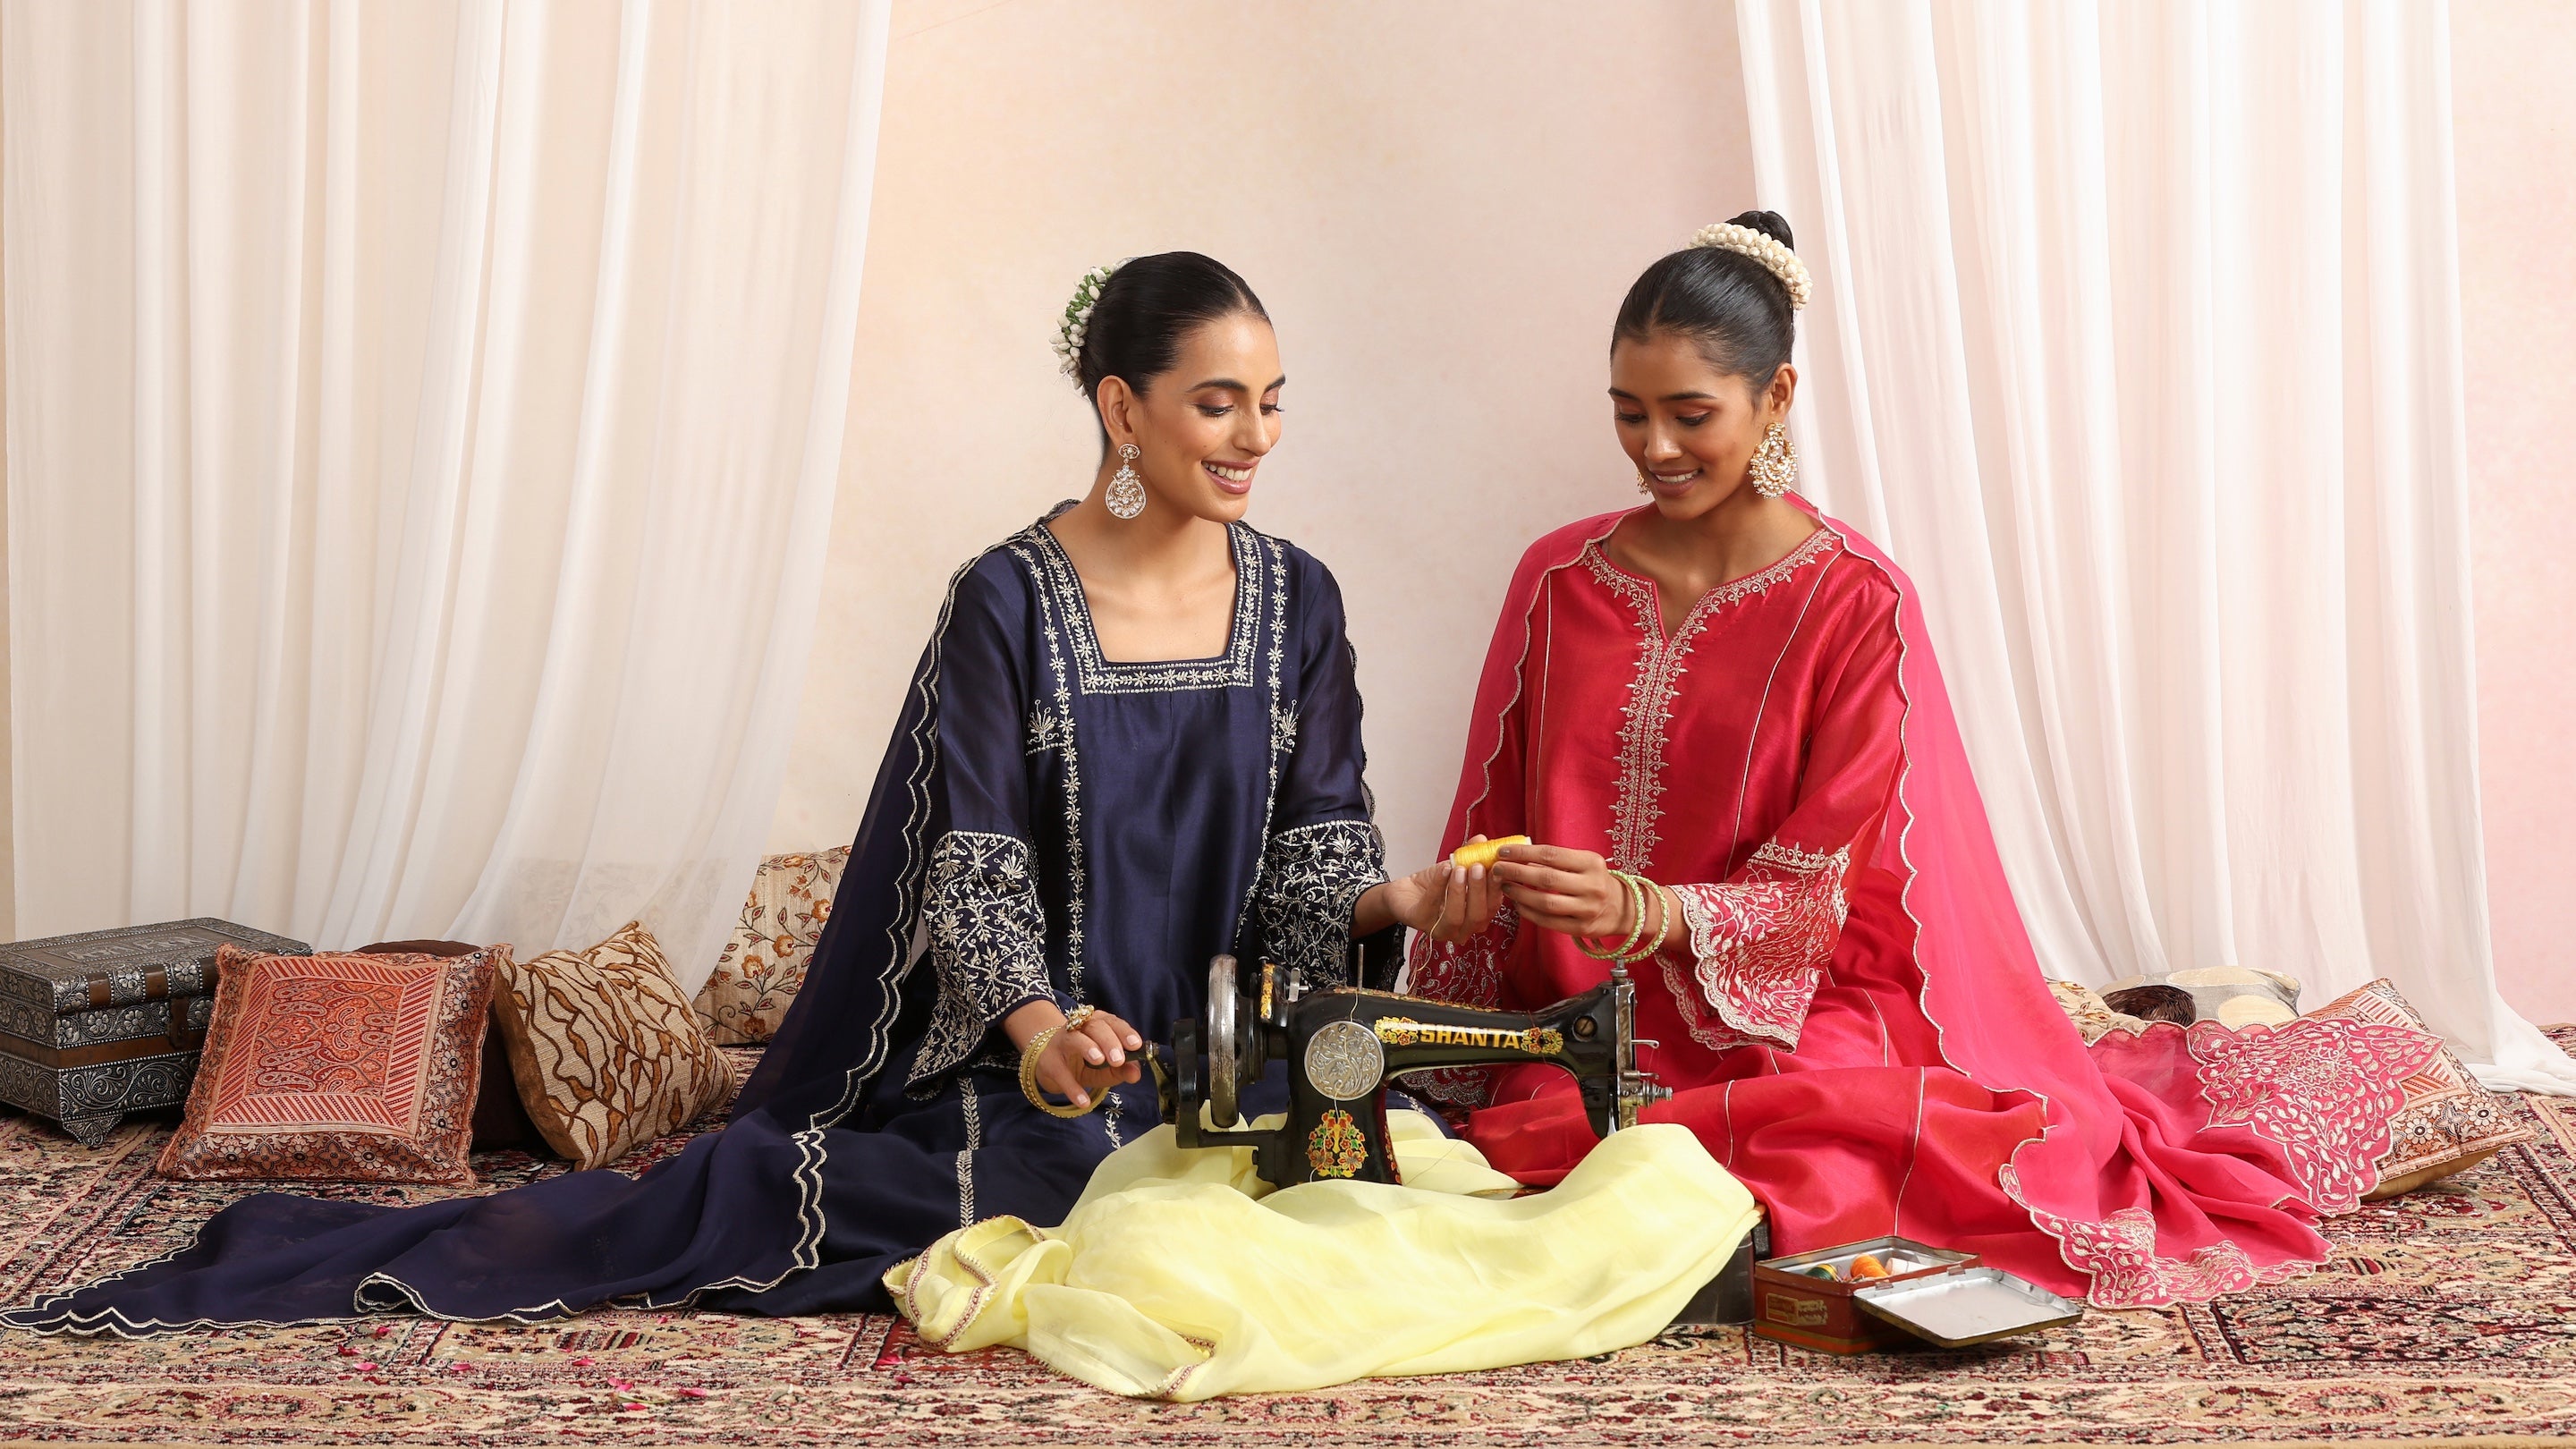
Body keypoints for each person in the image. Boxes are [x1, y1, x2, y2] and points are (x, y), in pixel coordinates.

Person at [5, 251, 1478, 1334]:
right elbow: (973, 869)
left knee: (1351, 1188)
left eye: (1271, 403)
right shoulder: (1009, 602)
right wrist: (1044, 1036)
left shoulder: (1299, 598)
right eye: (1219, 403)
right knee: (1070, 1198)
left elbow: (1313, 860)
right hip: (1035, 1073)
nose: (1255, 438)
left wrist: (1404, 899)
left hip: (1225, 1053)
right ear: (1121, 408)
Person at [1406, 213, 2446, 1309]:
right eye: (1629, 413)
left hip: (1781, 1017)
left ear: (1777, 397)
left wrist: (1649, 911)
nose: (1655, 448)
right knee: (1551, 1153)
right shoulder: (1558, 579)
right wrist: (1480, 901)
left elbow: (1823, 895)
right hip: (1582, 1023)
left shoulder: (1855, 601)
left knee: (1845, 1152)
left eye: (1690, 415)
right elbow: (1494, 810)